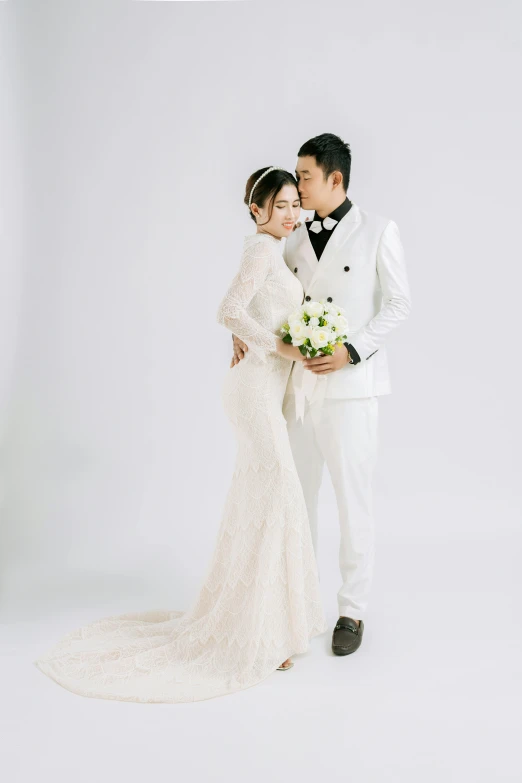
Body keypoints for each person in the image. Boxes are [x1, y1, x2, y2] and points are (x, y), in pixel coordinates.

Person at [34, 166, 327, 704]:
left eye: (294, 205)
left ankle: (269, 625)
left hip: (261, 390)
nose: (290, 214)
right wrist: (279, 348)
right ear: (256, 209)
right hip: (254, 393)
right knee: (279, 493)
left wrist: (268, 340)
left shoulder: (277, 251)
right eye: (279, 205)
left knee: (263, 498)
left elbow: (251, 315)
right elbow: (228, 310)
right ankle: (265, 631)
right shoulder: (261, 249)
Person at [233, 134, 411, 656]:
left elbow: (399, 304)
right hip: (296, 387)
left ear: (335, 179)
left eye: (304, 176)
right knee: (297, 497)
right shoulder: (291, 230)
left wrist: (352, 352)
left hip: (351, 389)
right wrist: (240, 333)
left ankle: (351, 611)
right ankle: (299, 604)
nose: (297, 186)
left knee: (352, 501)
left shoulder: (378, 230)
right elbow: (260, 290)